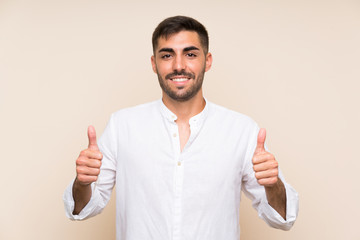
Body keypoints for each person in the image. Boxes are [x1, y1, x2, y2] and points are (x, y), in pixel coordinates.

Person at [63, 16, 299, 240]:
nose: (178, 65)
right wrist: (82, 183)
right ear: (154, 64)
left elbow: (282, 219)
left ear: (207, 60)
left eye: (190, 54)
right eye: (167, 55)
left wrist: (272, 184)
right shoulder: (121, 126)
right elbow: (83, 209)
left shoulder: (241, 130)